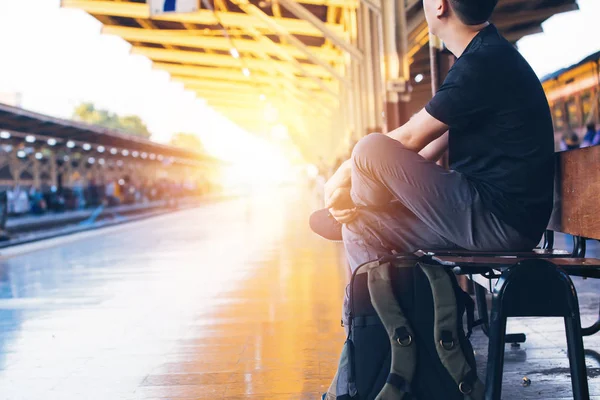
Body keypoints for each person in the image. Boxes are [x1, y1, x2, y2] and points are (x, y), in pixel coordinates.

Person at [320, 0, 555, 274]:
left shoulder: (483, 63)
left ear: (441, 6)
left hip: (500, 223)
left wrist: (346, 171)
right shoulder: (485, 57)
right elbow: (421, 152)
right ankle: (389, 317)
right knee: (359, 228)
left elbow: (409, 138)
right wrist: (358, 189)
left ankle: (359, 208)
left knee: (369, 148)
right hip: (494, 219)